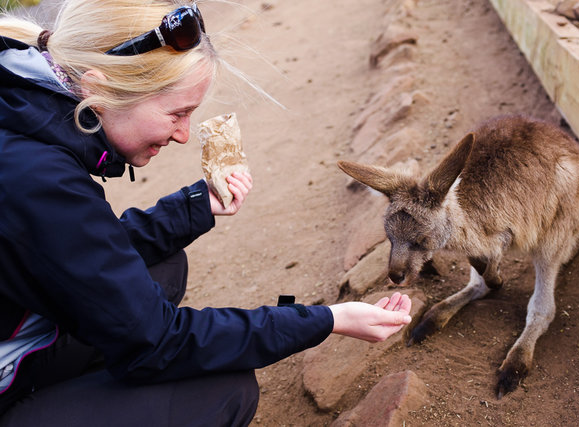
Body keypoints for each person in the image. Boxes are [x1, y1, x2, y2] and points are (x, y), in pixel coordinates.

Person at [0, 1, 412, 425]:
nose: (183, 135)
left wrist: (195, 207)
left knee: (163, 268)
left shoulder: (25, 131)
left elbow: (80, 251)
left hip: (20, 337)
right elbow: (157, 341)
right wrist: (327, 319)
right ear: (97, 89)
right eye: (177, 114)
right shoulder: (39, 180)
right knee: (222, 393)